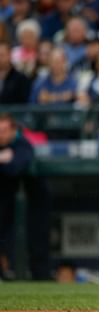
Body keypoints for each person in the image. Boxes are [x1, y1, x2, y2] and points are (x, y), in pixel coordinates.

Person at [0, 113, 34, 280]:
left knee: (12, 240)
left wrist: (7, 162)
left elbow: (15, 169)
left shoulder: (22, 144)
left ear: (13, 129)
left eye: (4, 130)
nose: (1, 135)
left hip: (16, 202)